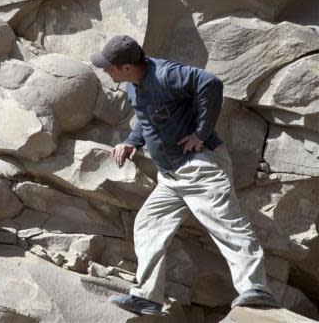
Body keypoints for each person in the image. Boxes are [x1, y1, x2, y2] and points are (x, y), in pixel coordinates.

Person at [90, 35, 279, 316]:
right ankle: (148, 297)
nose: (106, 71)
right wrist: (132, 142)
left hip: (198, 166)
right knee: (148, 224)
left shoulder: (166, 74)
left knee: (226, 224)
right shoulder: (134, 86)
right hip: (170, 174)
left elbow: (210, 83)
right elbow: (146, 120)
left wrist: (200, 133)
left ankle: (256, 288)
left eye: (110, 67)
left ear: (126, 67)